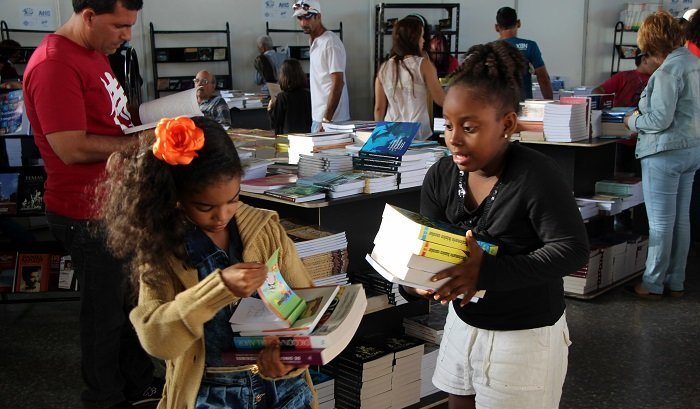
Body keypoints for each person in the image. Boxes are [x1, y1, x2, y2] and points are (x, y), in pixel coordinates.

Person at [403, 40, 589, 408]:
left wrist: (486, 273)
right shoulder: (442, 175)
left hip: (524, 335)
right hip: (463, 325)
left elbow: (571, 250)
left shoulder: (535, 176)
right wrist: (416, 282)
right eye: (448, 124)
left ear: (506, 124)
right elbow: (427, 241)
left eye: (469, 127)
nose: (453, 139)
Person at [97, 115, 317, 409]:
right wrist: (218, 289)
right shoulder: (163, 249)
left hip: (285, 393)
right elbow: (155, 338)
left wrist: (290, 359)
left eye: (233, 199)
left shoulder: (265, 229)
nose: (221, 216)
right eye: (205, 207)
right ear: (176, 196)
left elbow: (310, 308)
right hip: (212, 395)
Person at [22, 1, 161, 408]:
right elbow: (71, 146)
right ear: (87, 16)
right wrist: (142, 143)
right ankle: (103, 398)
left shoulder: (93, 53)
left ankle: (137, 383)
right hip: (85, 212)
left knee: (127, 304)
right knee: (104, 317)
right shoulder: (54, 64)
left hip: (113, 206)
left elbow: (112, 119)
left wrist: (159, 118)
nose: (126, 35)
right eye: (119, 25)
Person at [624, 11, 700, 298]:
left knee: (660, 223)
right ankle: (676, 281)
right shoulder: (694, 63)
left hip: (664, 152)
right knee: (681, 219)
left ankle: (653, 283)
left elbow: (659, 120)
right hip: (692, 149)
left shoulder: (668, 71)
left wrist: (631, 121)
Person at [374, 17, 446, 140]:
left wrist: (378, 135)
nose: (423, 40)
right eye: (421, 36)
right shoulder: (423, 65)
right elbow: (440, 99)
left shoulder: (384, 68)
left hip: (390, 132)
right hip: (417, 132)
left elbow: (379, 108)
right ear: (414, 39)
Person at [293, 0, 350, 131]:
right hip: (320, 117)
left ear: (318, 16)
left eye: (307, 18)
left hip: (333, 121)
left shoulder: (330, 43)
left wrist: (326, 119)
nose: (303, 23)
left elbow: (338, 83)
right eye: (299, 18)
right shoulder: (314, 41)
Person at [495, 6, 553, 100]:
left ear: (497, 27)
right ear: (518, 23)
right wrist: (551, 104)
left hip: (499, 105)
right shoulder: (530, 46)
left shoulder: (490, 48)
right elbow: (543, 78)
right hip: (523, 105)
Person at [591, 52, 660, 107]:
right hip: (622, 120)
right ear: (644, 60)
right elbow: (598, 90)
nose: (661, 63)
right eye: (657, 59)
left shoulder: (660, 79)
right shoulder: (623, 76)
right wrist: (599, 103)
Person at [268, 59, 312, 134]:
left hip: (288, 138)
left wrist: (270, 109)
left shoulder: (282, 97)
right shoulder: (308, 94)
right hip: (307, 135)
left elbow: (275, 123)